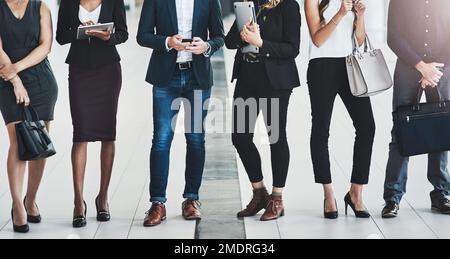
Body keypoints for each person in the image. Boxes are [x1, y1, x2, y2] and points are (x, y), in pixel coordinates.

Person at [137, 0, 224, 227]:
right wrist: (167, 41)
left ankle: (191, 199)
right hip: (166, 77)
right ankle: (158, 203)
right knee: (162, 139)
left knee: (195, 138)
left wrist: (206, 46)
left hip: (198, 78)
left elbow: (218, 36)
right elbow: (143, 35)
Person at [225, 0, 301, 221]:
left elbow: (292, 48)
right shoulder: (249, 5)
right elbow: (230, 41)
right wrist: (242, 34)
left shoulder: (288, 6)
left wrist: (260, 42)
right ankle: (259, 192)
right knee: (240, 137)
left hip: (275, 82)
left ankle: (277, 198)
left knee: (275, 137)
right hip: (248, 79)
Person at [56, 0, 128, 228]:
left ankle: (103, 197)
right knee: (81, 134)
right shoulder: (68, 2)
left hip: (108, 69)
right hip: (79, 70)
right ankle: (78, 202)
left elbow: (124, 34)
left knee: (108, 134)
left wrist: (108, 37)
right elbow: (60, 36)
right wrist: (81, 32)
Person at [305, 0, 374, 219]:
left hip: (350, 64)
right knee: (321, 130)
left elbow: (360, 40)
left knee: (367, 126)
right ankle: (328, 194)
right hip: (321, 67)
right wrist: (340, 13)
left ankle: (356, 192)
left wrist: (360, 15)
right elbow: (317, 39)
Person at [382, 0, 450, 218]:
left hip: (442, 70)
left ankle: (441, 194)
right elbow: (394, 36)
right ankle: (392, 197)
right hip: (408, 68)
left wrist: (435, 70)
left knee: (442, 130)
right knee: (401, 131)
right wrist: (421, 67)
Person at [0, 0, 58, 233]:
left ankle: (30, 199)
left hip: (41, 79)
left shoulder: (41, 7)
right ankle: (18, 206)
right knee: (17, 141)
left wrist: (18, 68)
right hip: (6, 78)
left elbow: (45, 46)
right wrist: (15, 79)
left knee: (38, 142)